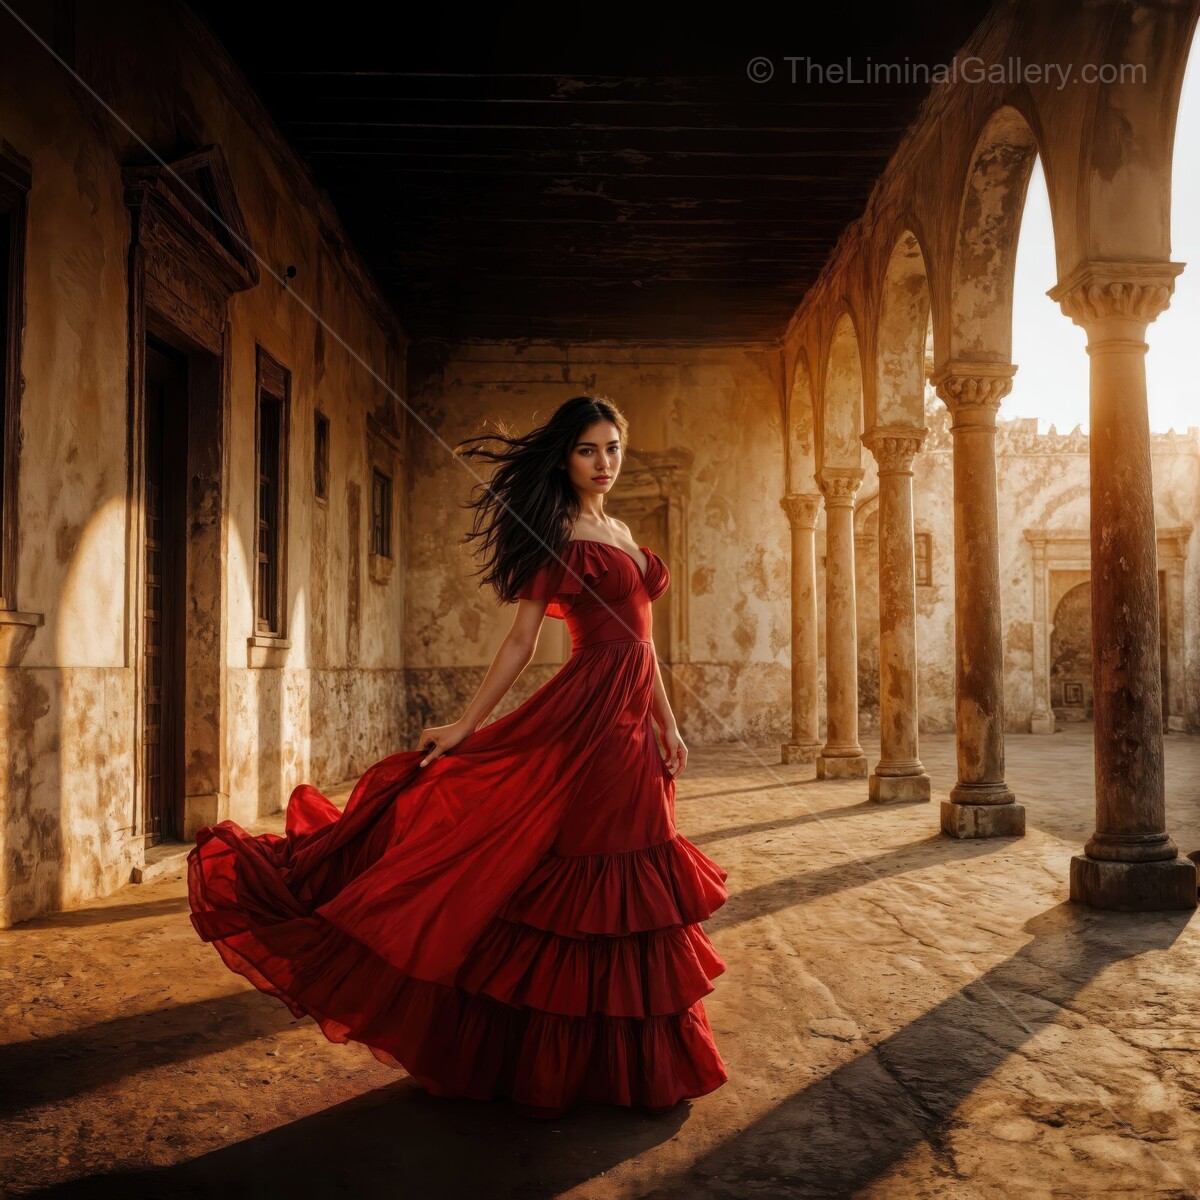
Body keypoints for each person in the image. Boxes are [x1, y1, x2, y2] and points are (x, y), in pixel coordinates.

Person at [187, 392, 730, 1119]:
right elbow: (521, 642)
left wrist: (669, 722)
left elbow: (644, 643)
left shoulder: (622, 531)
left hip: (635, 724)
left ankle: (627, 1064)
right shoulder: (559, 536)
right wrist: (468, 726)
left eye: (612, 449)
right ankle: (551, 1062)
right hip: (590, 724)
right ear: (565, 459)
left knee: (635, 883)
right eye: (588, 450)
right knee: (592, 875)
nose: (604, 463)